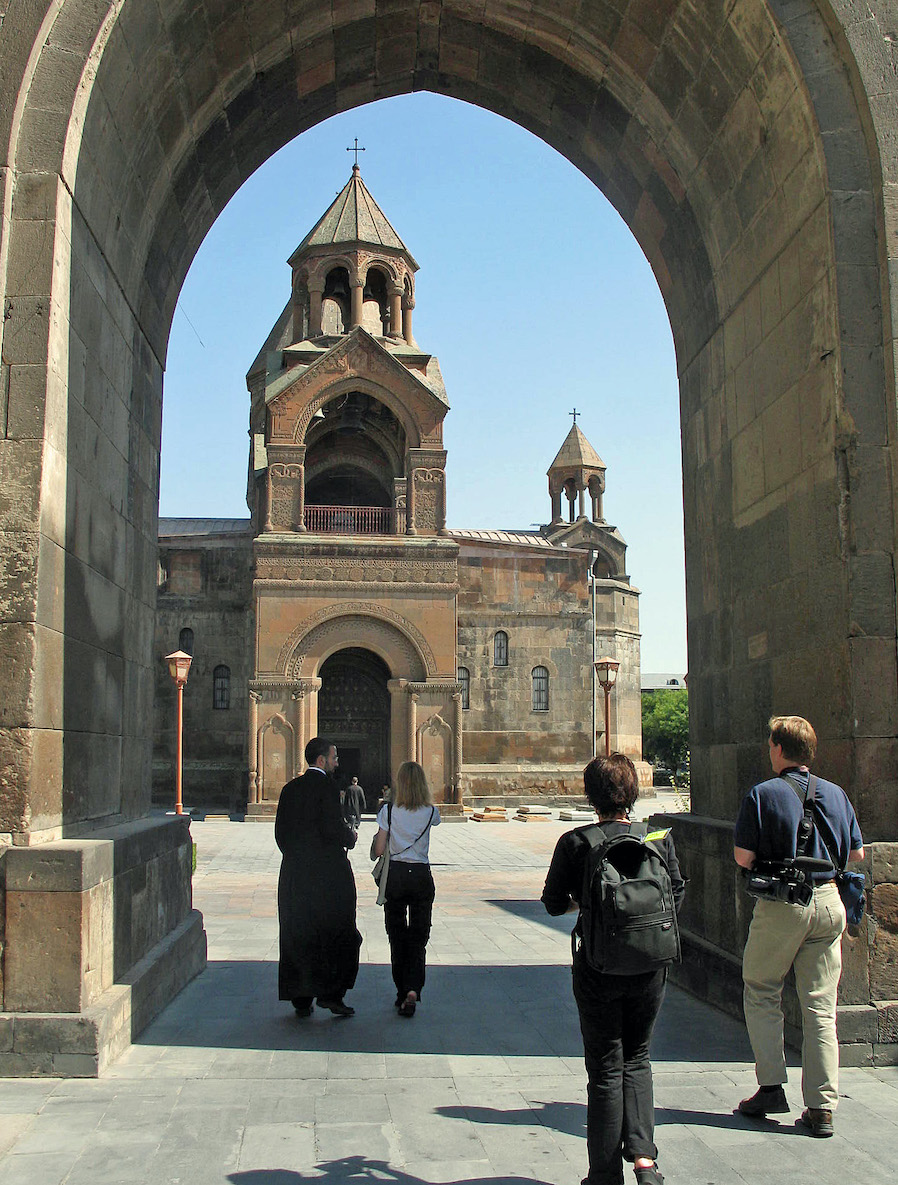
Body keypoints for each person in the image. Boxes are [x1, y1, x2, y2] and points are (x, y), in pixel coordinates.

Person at [542, 754, 685, 1185]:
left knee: (605, 1067)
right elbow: (675, 892)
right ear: (633, 794)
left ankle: (604, 1175)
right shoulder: (657, 838)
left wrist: (587, 907)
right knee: (638, 1058)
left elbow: (552, 903)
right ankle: (645, 1162)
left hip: (597, 966)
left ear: (590, 796)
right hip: (649, 967)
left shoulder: (576, 842)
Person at [734, 715, 864, 1137]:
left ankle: (771, 1086)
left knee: (761, 987)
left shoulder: (763, 794)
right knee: (820, 1007)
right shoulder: (838, 794)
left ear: (778, 748)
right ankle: (822, 1107)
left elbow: (742, 857)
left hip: (783, 905)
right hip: (829, 902)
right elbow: (857, 856)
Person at [275, 737, 361, 1018]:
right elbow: (333, 829)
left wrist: (297, 858)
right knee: (336, 930)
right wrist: (350, 837)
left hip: (295, 875)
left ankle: (300, 995)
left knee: (298, 931)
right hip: (327, 875)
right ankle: (331, 994)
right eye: (335, 758)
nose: (338, 763)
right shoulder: (327, 787)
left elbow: (281, 835)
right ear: (322, 761)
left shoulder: (289, 789)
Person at [372, 761, 441, 1017]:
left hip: (396, 876)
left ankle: (402, 991)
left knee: (397, 934)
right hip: (422, 875)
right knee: (419, 936)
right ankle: (414, 988)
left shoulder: (388, 811)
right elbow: (435, 822)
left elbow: (379, 850)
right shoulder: (430, 811)